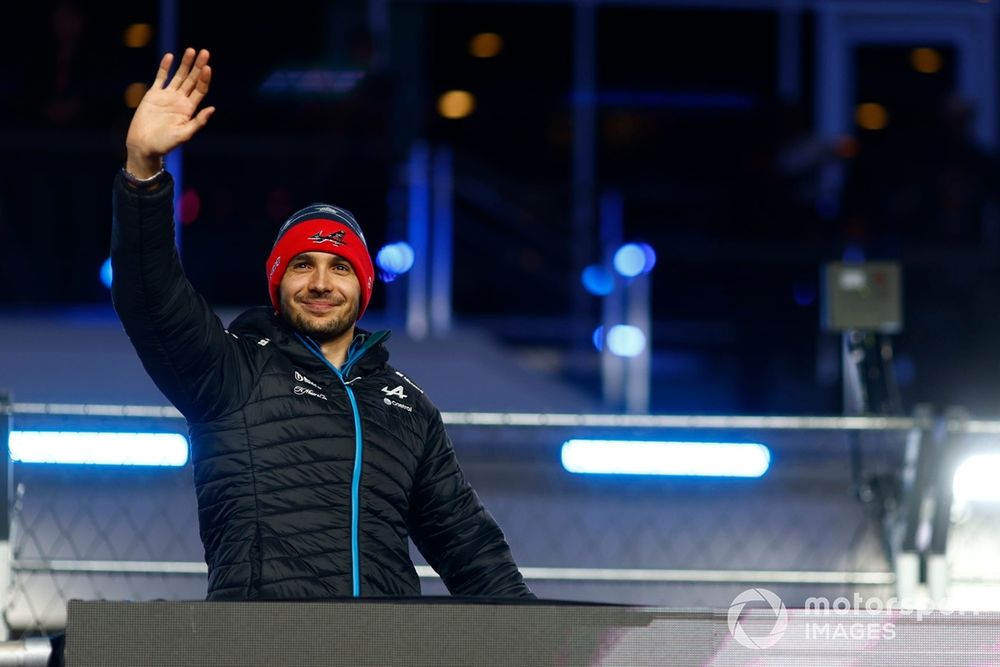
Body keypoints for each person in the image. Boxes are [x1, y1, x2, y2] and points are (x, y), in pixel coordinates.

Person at [112, 48, 533, 600]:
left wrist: (551, 646)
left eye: (340, 268)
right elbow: (151, 296)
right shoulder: (232, 369)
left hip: (384, 654)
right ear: (277, 283)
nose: (319, 282)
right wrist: (143, 172)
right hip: (260, 651)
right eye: (301, 265)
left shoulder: (407, 407)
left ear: (362, 289)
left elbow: (472, 553)